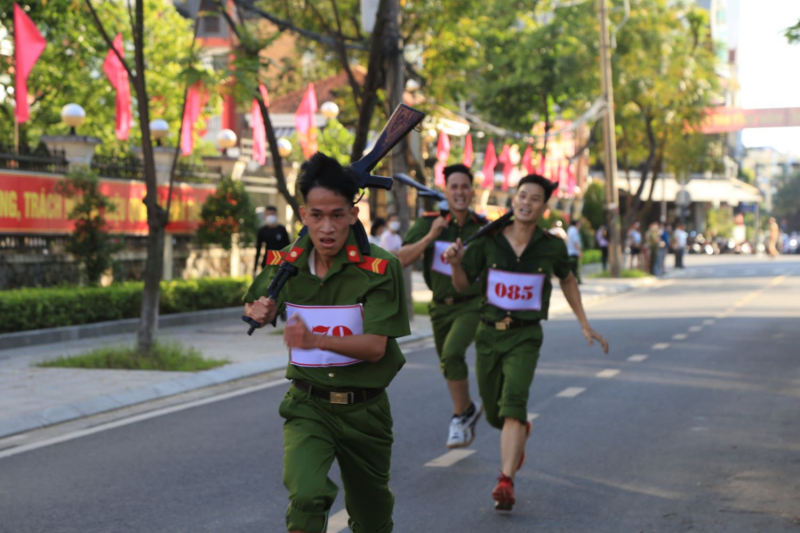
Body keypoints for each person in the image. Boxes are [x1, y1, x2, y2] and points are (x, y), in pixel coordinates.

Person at [243, 153, 410, 533]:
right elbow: (257, 305)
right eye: (316, 215)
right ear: (303, 216)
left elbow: (375, 348)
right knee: (306, 497)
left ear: (353, 214)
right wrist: (263, 312)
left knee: (372, 520)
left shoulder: (380, 269)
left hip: (365, 412)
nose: (327, 227)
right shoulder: (285, 265)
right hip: (308, 405)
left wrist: (315, 339)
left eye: (337, 215)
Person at [443, 174, 609, 512]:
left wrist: (584, 323)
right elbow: (462, 285)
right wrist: (457, 264)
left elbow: (567, 279)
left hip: (525, 336)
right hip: (489, 335)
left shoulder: (551, 246)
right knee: (495, 414)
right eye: (521, 195)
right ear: (513, 200)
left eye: (534, 198)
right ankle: (519, 433)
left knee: (514, 403)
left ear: (543, 208)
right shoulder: (488, 241)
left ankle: (506, 480)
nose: (526, 202)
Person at [395, 163, 486, 448]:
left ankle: (460, 416)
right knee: (448, 363)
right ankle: (467, 410)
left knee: (452, 352)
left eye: (464, 187)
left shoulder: (482, 227)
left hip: (472, 305)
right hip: (439, 307)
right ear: (446, 191)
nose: (459, 192)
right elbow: (399, 260)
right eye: (454, 187)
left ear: (472, 191)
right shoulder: (430, 221)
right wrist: (431, 236)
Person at [254, 205, 291, 274]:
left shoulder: (282, 230)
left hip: (280, 262)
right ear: (265, 215)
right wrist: (255, 269)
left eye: (272, 214)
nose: (270, 216)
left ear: (276, 214)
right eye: (268, 214)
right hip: (267, 263)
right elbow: (258, 249)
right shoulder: (263, 230)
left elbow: (288, 247)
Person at [566, 218, 583, 283]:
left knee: (571, 268)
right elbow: (575, 243)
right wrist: (579, 251)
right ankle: (575, 281)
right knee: (575, 268)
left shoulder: (569, 230)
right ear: (576, 224)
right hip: (574, 252)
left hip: (569, 252)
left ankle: (573, 281)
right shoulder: (574, 231)